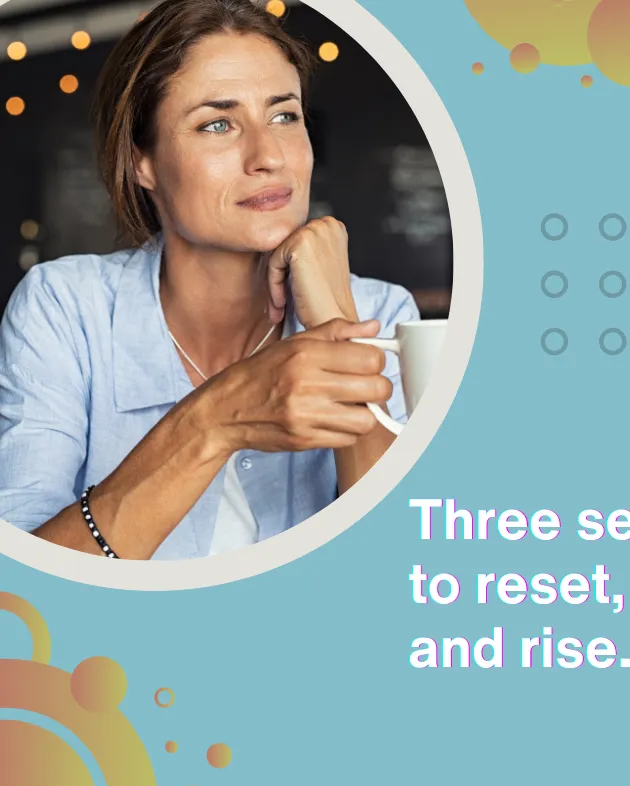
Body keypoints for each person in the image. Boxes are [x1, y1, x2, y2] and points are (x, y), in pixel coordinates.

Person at [0, 0, 420, 560]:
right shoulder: (66, 308)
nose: (268, 156)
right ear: (139, 161)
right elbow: (26, 580)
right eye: (217, 124)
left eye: (284, 115)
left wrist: (337, 322)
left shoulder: (383, 313)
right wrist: (215, 420)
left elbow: (403, 565)